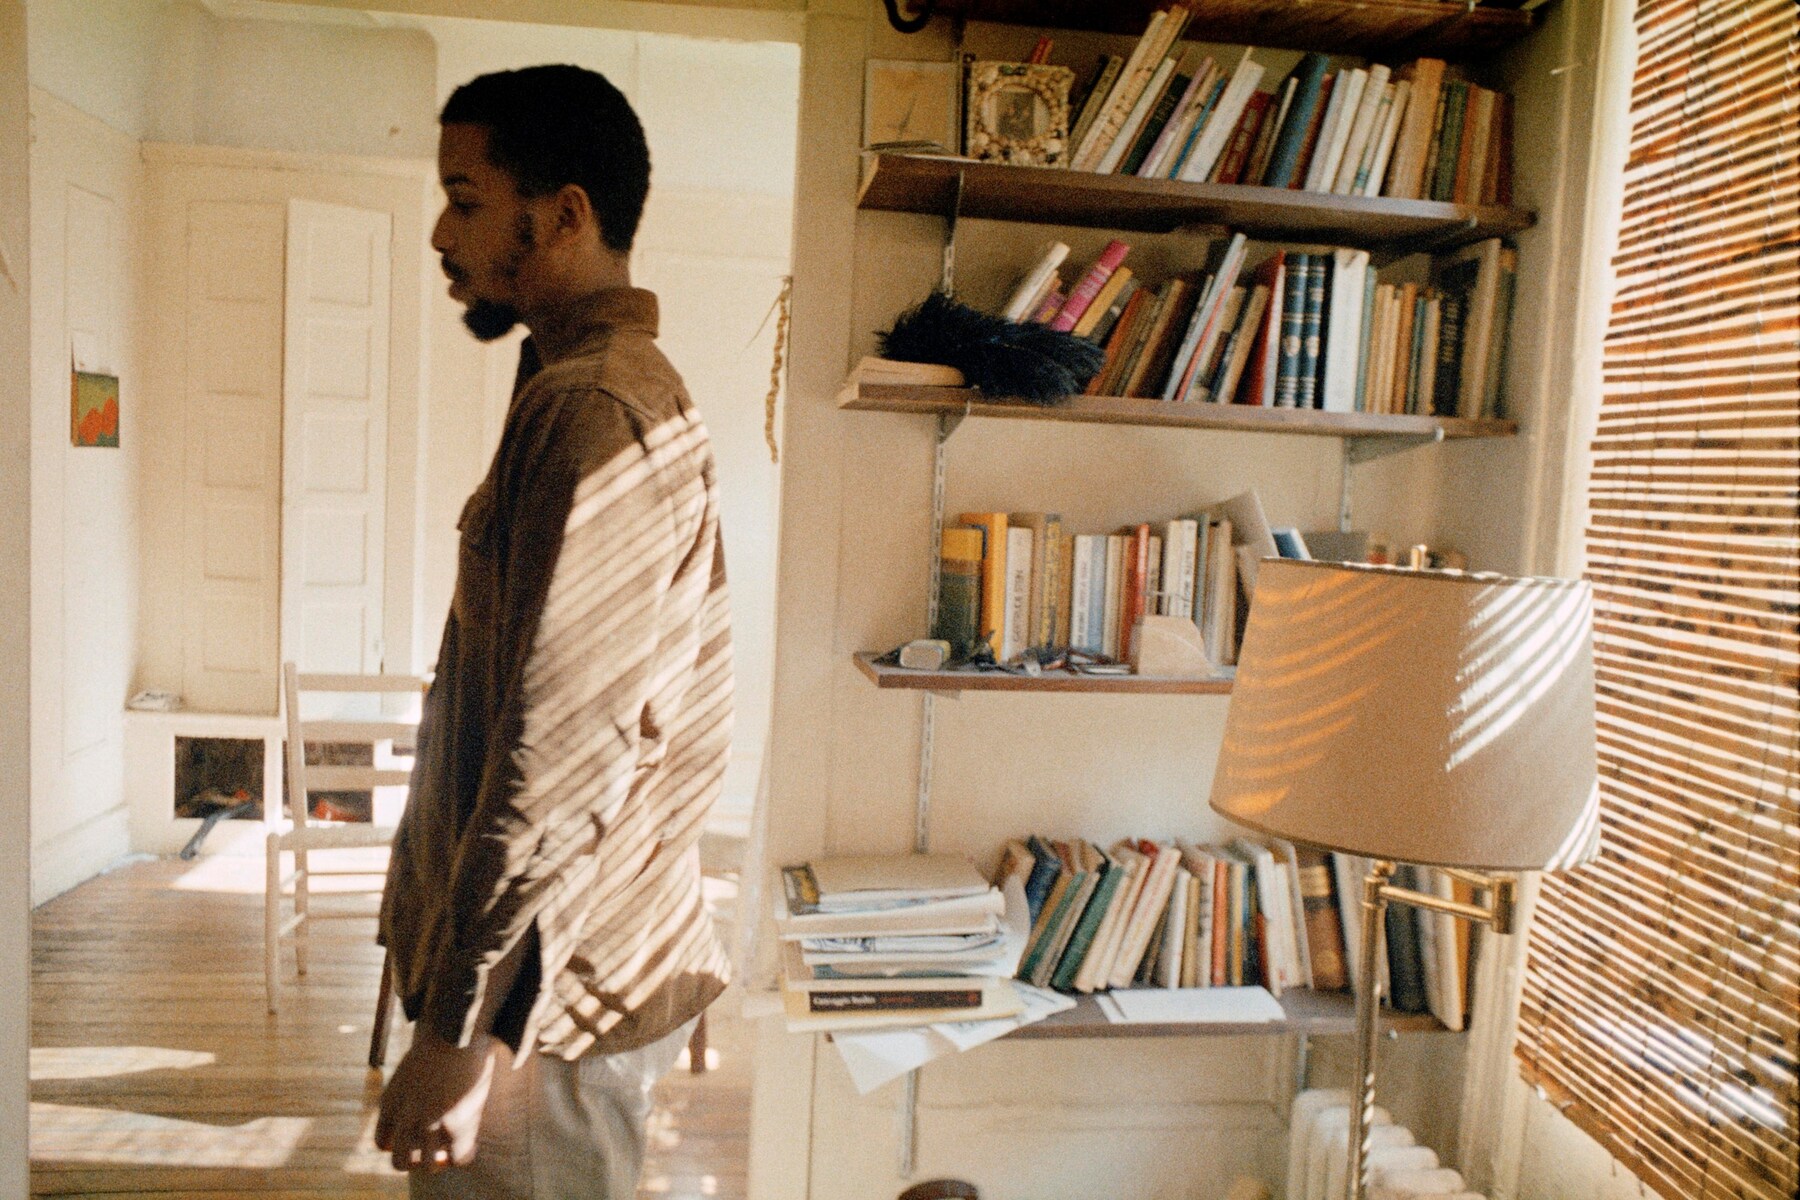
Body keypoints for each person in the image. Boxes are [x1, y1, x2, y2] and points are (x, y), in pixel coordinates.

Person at [374, 65, 733, 1198]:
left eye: (466, 200)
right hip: (543, 984)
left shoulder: (592, 408)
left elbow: (562, 757)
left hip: (541, 1005)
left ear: (566, 213)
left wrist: (458, 1033)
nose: (442, 233)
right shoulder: (578, 385)